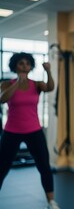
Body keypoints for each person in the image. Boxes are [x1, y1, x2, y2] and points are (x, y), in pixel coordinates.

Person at [0, 52, 59, 209]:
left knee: (44, 167)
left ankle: (51, 202)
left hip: (34, 131)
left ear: (31, 66)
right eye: (21, 63)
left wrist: (48, 71)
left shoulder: (37, 84)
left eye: (27, 63)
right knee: (2, 167)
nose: (24, 65)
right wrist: (17, 83)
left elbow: (50, 87)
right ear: (15, 66)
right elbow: (2, 98)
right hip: (11, 131)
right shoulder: (7, 84)